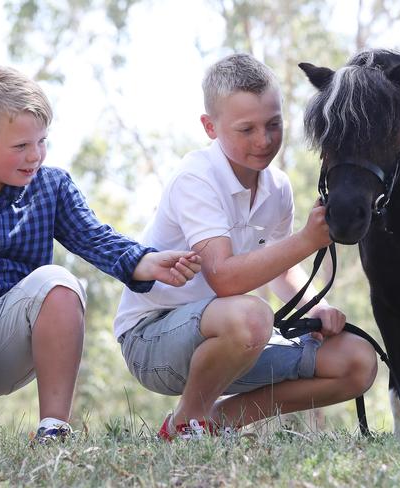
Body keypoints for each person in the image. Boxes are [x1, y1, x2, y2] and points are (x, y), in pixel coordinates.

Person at [0, 65, 201, 442]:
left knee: (58, 282)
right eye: (21, 146)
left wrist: (146, 260)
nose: (35, 155)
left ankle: (53, 429)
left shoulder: (51, 187)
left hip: (12, 334)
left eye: (42, 141)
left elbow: (95, 237)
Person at [114, 53, 378, 440]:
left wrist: (318, 309)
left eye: (274, 124)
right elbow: (222, 278)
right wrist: (306, 240)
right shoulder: (196, 178)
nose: (264, 140)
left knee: (357, 360)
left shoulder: (278, 187)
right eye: (246, 129)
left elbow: (282, 270)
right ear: (210, 127)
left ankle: (218, 422)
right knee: (253, 316)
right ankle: (188, 421)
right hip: (153, 341)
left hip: (236, 338)